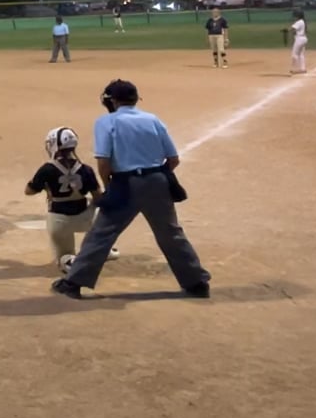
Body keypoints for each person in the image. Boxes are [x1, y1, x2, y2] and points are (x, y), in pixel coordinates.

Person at [52, 80, 210, 300]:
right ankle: (197, 283)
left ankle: (74, 282)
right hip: (158, 181)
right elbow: (173, 159)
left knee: (102, 233)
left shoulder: (106, 122)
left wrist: (109, 187)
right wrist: (156, 177)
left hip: (125, 183)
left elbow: (104, 162)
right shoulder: (153, 119)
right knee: (171, 233)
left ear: (112, 101)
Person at [26, 126, 112, 271]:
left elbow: (29, 191)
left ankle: (69, 261)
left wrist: (43, 186)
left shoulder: (47, 169)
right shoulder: (85, 169)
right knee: (99, 209)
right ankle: (100, 248)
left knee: (64, 256)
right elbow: (98, 197)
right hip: (85, 219)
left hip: (59, 221)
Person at [287, 9, 308, 74]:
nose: (294, 17)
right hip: (303, 38)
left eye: (295, 15)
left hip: (299, 39)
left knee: (294, 54)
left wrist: (286, 30)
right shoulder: (302, 21)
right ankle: (303, 69)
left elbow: (292, 28)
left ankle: (293, 69)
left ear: (298, 15)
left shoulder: (299, 22)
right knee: (301, 54)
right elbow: (295, 30)